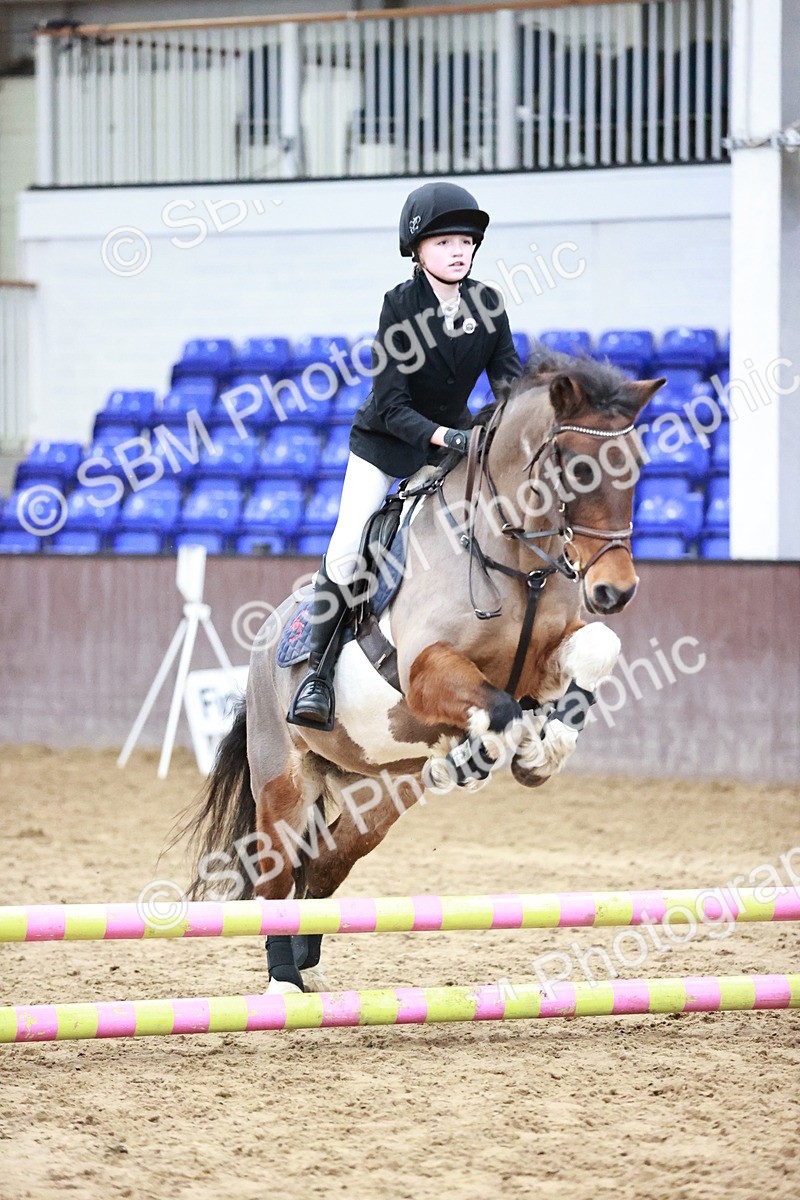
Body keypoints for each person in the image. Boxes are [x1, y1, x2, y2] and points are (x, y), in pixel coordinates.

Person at [287, 180, 523, 729]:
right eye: (444, 242)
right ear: (417, 251)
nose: (459, 250)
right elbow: (391, 405)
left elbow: (509, 380)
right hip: (387, 444)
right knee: (349, 549)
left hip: (452, 443)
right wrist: (451, 438)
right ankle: (316, 673)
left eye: (465, 241)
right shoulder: (399, 306)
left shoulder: (488, 304)